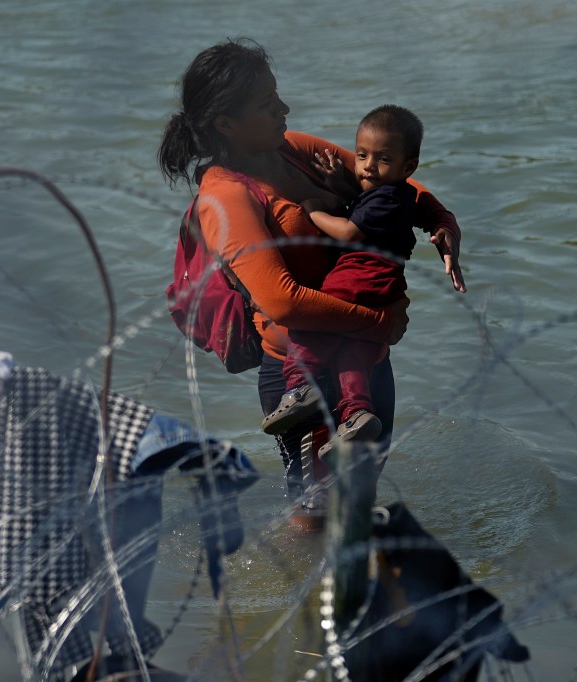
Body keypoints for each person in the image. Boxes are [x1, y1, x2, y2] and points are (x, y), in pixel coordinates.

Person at [157, 38, 465, 502]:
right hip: (302, 378)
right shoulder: (225, 197)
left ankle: (345, 569)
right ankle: (293, 571)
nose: (285, 108)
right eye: (266, 104)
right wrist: (380, 322)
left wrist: (444, 223)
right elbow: (281, 300)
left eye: (277, 94)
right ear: (226, 124)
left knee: (359, 498)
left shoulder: (290, 149)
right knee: (316, 512)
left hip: (365, 358)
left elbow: (390, 179)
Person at [260, 104, 457, 458]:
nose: (366, 165)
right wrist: (344, 189)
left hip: (357, 276)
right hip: (384, 285)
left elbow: (351, 232)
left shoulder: (386, 197)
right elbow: (363, 210)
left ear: (407, 167)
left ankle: (299, 387)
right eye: (362, 154)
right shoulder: (395, 196)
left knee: (311, 327)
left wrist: (314, 210)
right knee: (355, 350)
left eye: (382, 159)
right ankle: (356, 414)